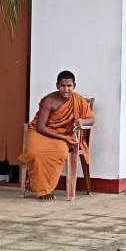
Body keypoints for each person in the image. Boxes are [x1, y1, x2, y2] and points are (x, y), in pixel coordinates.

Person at [18, 71, 94, 200]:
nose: (66, 89)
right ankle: (42, 190)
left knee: (60, 150)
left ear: (74, 86)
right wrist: (65, 138)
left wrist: (82, 121)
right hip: (41, 133)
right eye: (62, 86)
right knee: (34, 152)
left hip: (62, 135)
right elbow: (41, 127)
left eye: (69, 86)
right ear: (57, 85)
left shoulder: (78, 100)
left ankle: (44, 188)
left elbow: (91, 120)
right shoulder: (49, 101)